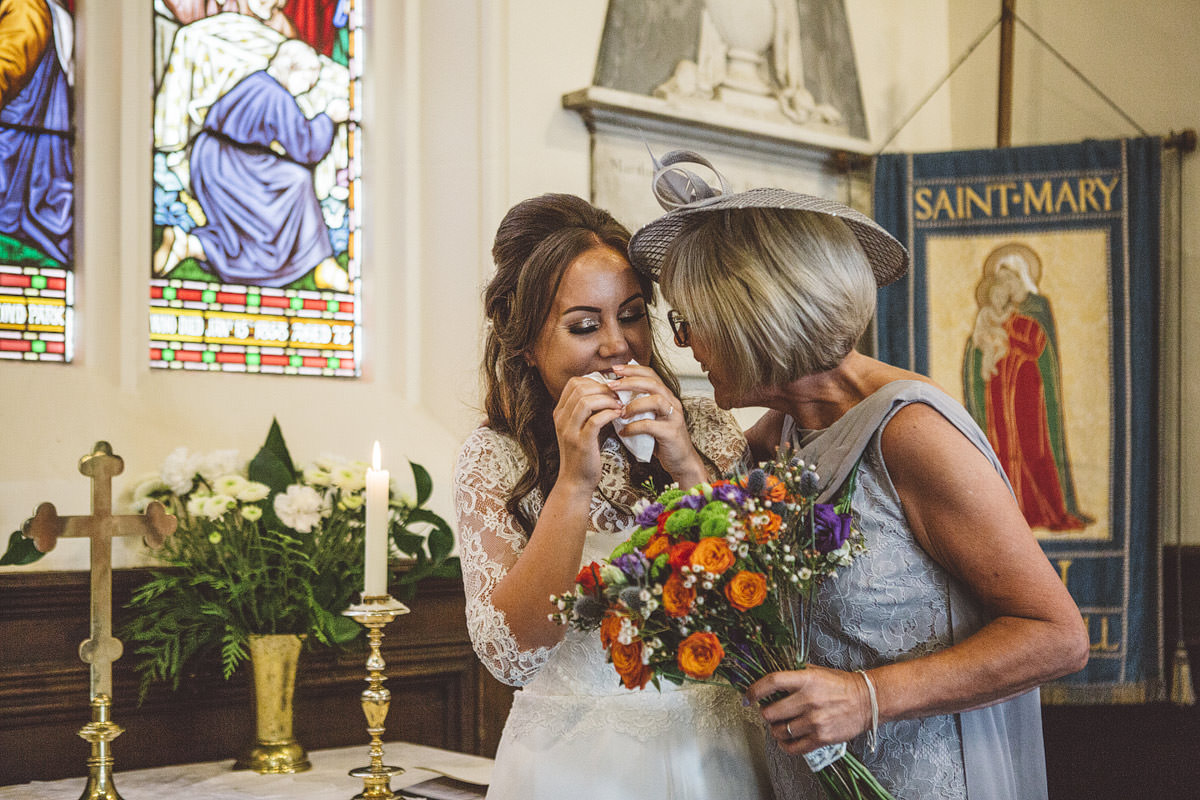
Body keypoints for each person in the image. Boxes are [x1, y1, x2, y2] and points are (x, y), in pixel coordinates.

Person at [627, 153, 1089, 800]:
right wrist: (677, 457)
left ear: (751, 320)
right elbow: (735, 588)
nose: (684, 346)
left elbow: (1058, 638)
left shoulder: (913, 435)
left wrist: (866, 696)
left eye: (687, 322)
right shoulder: (777, 437)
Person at [453, 193, 773, 799]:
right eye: (583, 325)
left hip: (717, 752)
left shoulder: (707, 429)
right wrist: (573, 480)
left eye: (630, 316)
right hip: (575, 765)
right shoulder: (495, 460)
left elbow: (762, 605)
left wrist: (684, 459)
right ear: (525, 343)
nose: (616, 345)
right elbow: (512, 654)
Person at [153, 37, 349, 290]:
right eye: (310, 78)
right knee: (296, 180)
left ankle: (191, 245)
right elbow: (306, 147)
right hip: (234, 165)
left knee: (243, 227)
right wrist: (329, 118)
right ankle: (323, 264)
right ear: (292, 70)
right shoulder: (276, 94)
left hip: (211, 160)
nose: (311, 86)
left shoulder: (257, 82)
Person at [962, 242, 1091, 532]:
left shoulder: (1035, 309)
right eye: (1001, 280)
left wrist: (1012, 341)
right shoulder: (988, 317)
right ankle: (1009, 511)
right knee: (1002, 448)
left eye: (1010, 279)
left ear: (1021, 278)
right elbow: (975, 350)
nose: (1005, 286)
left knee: (1033, 449)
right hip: (997, 397)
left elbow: (1040, 348)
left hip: (1027, 396)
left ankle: (1043, 509)